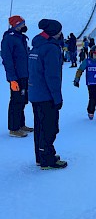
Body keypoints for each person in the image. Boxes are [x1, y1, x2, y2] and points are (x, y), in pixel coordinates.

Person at [28, 19, 67, 169]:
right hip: (46, 95)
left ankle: (41, 155)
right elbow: (52, 76)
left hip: (35, 93)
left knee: (40, 126)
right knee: (50, 127)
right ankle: (47, 159)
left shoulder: (37, 45)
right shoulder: (51, 48)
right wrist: (57, 98)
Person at [1, 15, 33, 137]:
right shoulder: (9, 39)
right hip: (17, 76)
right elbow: (7, 60)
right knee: (16, 101)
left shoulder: (21, 38)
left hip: (24, 74)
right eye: (22, 24)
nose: (24, 26)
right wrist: (12, 79)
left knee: (23, 100)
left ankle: (21, 124)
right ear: (16, 25)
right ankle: (14, 128)